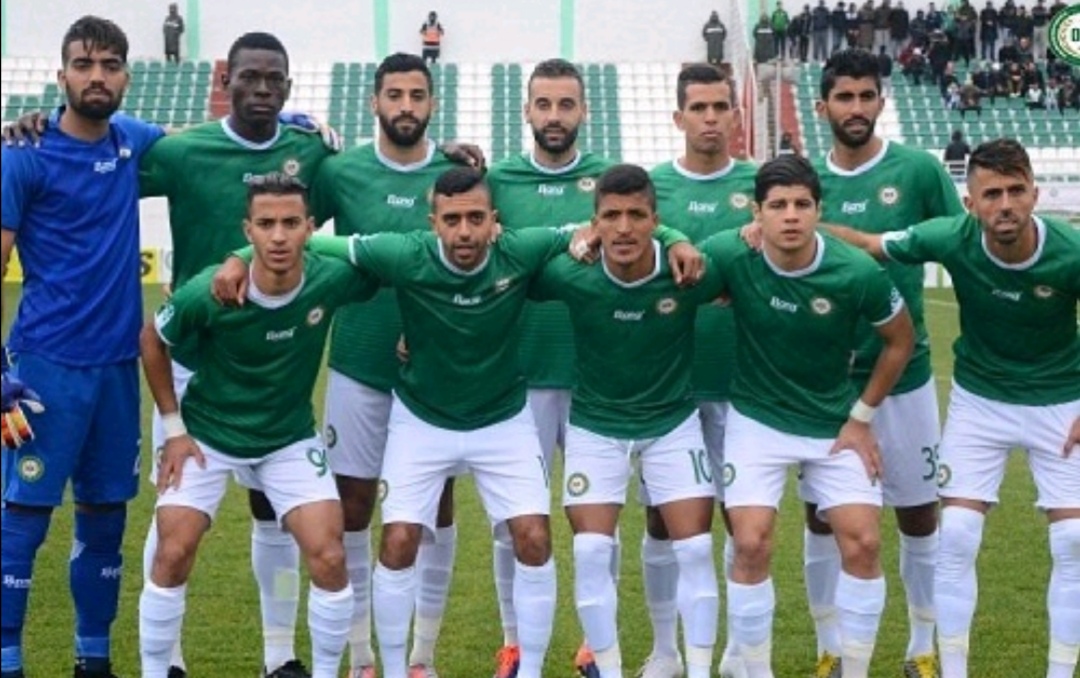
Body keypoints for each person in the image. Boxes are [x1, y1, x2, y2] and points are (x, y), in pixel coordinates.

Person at [825, 138, 1080, 678]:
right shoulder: (950, 236)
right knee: (958, 532)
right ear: (970, 203)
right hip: (980, 401)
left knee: (1073, 540)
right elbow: (868, 244)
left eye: (1015, 191)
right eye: (992, 194)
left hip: (1061, 401)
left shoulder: (1071, 250)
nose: (1005, 204)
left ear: (1035, 194)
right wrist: (785, 229)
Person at [139, 174, 377, 678]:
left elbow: (403, 270)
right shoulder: (212, 289)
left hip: (287, 438)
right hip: (208, 436)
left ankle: (309, 666)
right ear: (247, 231)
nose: (278, 236)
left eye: (291, 223)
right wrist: (174, 429)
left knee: (329, 556)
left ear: (310, 228)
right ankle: (156, 670)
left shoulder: (330, 278)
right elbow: (152, 340)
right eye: (266, 224)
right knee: (172, 550)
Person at [700, 154, 915, 678]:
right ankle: (754, 671)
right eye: (777, 206)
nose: (791, 215)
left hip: (833, 424)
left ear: (819, 210)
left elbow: (900, 340)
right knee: (750, 542)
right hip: (757, 421)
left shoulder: (856, 271)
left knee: (864, 543)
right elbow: (678, 270)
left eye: (802, 204)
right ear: (757, 213)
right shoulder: (731, 253)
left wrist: (861, 418)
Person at [0, 15, 165, 678]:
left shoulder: (133, 142)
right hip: (45, 368)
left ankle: (92, 660)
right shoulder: (23, 154)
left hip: (118, 369)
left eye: (110, 65)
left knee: (105, 518)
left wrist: (292, 122)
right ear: (61, 74)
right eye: (84, 64)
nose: (97, 76)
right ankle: (7, 660)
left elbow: (216, 146)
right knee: (23, 518)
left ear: (126, 76)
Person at [306, 52, 468, 678]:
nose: (405, 106)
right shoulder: (340, 170)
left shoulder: (456, 175)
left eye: (416, 95)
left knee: (435, 506)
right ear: (374, 102)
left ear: (432, 103)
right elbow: (292, 229)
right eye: (394, 95)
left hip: (436, 370)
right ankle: (361, 657)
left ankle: (422, 657)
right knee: (352, 506)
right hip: (357, 364)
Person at [807, 48, 965, 678]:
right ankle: (828, 647)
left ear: (881, 101)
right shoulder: (803, 181)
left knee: (919, 512)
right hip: (824, 381)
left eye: (866, 96)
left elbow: (961, 245)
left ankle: (921, 646)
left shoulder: (918, 170)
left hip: (905, 375)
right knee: (823, 518)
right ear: (822, 107)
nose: (856, 108)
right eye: (844, 97)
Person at [529, 164, 722, 678]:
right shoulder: (570, 273)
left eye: (636, 215)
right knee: (592, 551)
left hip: (672, 423)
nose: (623, 227)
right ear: (594, 223)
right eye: (610, 216)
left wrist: (692, 238)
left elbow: (756, 263)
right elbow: (499, 279)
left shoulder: (689, 272)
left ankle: (697, 671)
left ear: (656, 221)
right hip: (595, 425)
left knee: (696, 549)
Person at [485, 58, 615, 678]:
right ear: (527, 111)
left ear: (584, 110)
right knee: (512, 523)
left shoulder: (611, 182)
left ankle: (595, 646)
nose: (555, 116)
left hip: (595, 373)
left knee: (598, 523)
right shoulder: (498, 181)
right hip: (519, 373)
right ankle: (513, 643)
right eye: (544, 104)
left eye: (566, 104)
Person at [644, 62, 758, 678]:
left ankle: (739, 651)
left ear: (735, 116)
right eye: (699, 108)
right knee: (664, 521)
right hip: (670, 384)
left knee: (744, 521)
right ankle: (665, 651)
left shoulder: (763, 186)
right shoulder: (653, 188)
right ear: (678, 116)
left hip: (746, 383)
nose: (711, 119)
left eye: (720, 108)